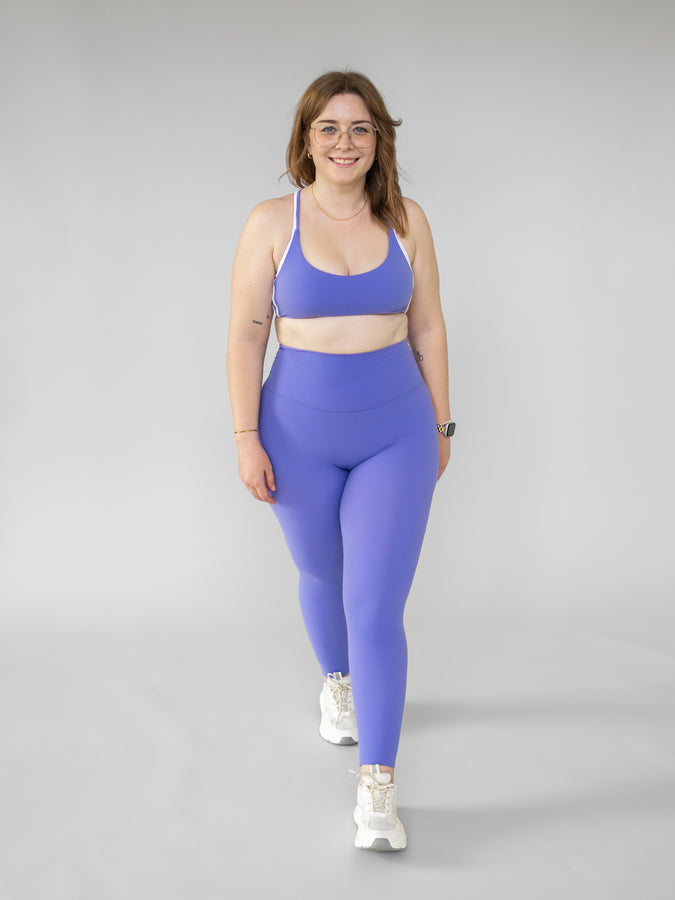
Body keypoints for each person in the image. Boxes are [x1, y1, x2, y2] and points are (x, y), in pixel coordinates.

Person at [226, 70, 454, 852]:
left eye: (360, 128)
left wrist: (443, 424)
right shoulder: (271, 223)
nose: (345, 142)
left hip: (397, 432)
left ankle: (377, 787)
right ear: (306, 139)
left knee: (375, 605)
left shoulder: (407, 220)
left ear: (379, 140)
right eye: (329, 128)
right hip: (296, 435)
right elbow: (246, 335)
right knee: (321, 572)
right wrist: (246, 436)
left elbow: (429, 327)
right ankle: (339, 683)